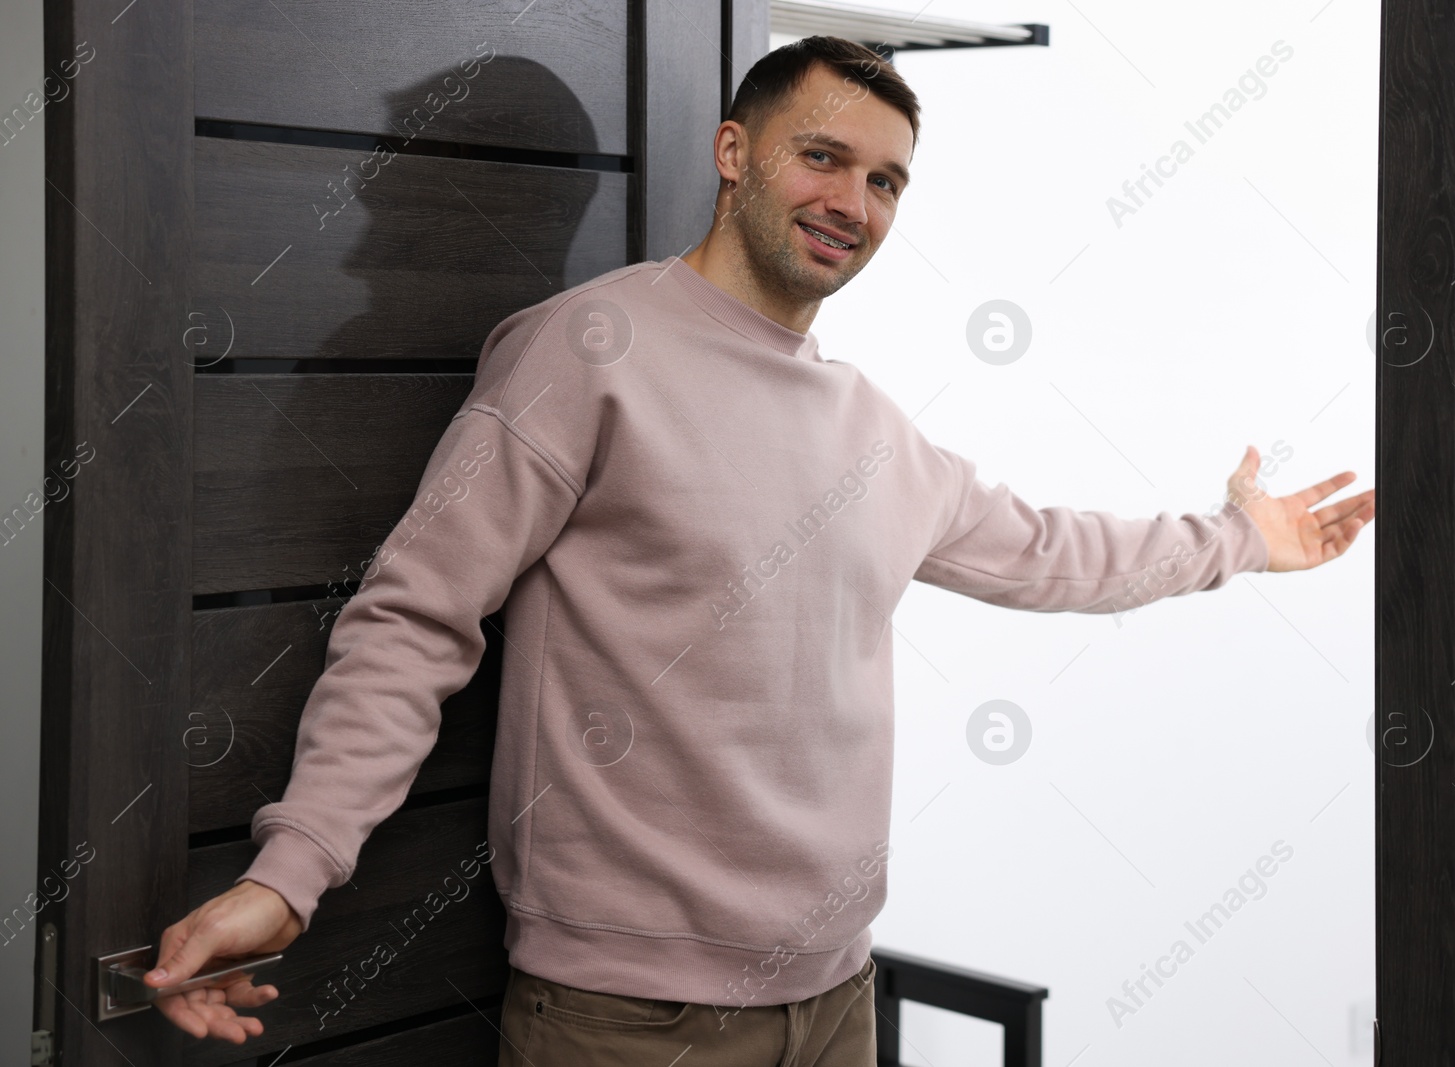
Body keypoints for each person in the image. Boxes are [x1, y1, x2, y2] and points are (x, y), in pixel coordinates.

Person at [143, 34, 1376, 1064]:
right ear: (735, 154)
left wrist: (1237, 540)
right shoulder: (586, 353)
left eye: (886, 181)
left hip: (838, 1002)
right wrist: (293, 870)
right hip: (625, 1019)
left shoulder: (869, 428)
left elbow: (1049, 550)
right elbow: (415, 619)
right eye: (823, 156)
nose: (852, 201)